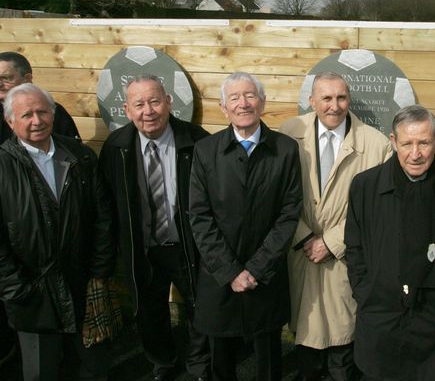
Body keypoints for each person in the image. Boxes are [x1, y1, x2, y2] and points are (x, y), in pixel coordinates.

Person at [344, 105, 435, 381]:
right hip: (380, 314)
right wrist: (366, 291)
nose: (415, 153)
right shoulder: (365, 186)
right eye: (407, 143)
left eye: (424, 142)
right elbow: (354, 246)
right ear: (393, 141)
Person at [188, 71, 302, 381]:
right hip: (219, 276)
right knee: (221, 357)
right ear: (223, 108)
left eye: (250, 95)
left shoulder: (285, 150)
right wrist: (230, 272)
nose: (243, 103)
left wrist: (256, 269)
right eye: (234, 98)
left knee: (267, 356)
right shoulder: (206, 151)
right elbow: (200, 216)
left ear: (262, 103)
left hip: (266, 275)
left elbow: (289, 213)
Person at [278, 72, 392, 381]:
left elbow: (379, 208)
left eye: (341, 97)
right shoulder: (289, 132)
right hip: (298, 252)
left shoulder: (376, 144)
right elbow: (275, 194)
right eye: (326, 98)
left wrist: (332, 242)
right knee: (306, 340)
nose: (334, 105)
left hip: (345, 256)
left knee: (343, 342)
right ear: (312, 101)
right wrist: (303, 235)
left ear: (349, 99)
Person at [98, 75, 211, 381]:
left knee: (199, 307)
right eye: (139, 104)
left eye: (154, 101)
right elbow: (106, 202)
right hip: (143, 248)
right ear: (127, 109)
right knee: (149, 312)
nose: (148, 111)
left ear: (169, 102)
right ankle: (162, 361)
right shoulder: (117, 146)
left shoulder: (197, 140)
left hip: (188, 245)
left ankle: (199, 364)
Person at [0, 83, 115, 381]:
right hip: (32, 291)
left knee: (94, 366)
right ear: (10, 121)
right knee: (42, 371)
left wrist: (98, 271)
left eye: (42, 112)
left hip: (82, 282)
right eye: (26, 115)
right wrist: (16, 289)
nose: (36, 121)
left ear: (53, 114)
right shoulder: (2, 166)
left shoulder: (80, 155)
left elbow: (102, 216)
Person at [0, 51, 80, 143]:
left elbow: (73, 151)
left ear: (27, 79)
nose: (0, 84)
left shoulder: (53, 110)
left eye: (5, 78)